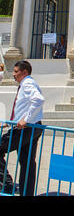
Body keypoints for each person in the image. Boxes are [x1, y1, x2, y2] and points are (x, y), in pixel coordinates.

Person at [0, 60, 44, 196]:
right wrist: (13, 121)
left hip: (26, 128)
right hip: (33, 126)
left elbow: (38, 99)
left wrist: (26, 120)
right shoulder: (27, 83)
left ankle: (6, 185)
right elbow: (24, 107)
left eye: (15, 71)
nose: (13, 74)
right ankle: (26, 192)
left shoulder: (27, 83)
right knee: (27, 162)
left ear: (24, 72)